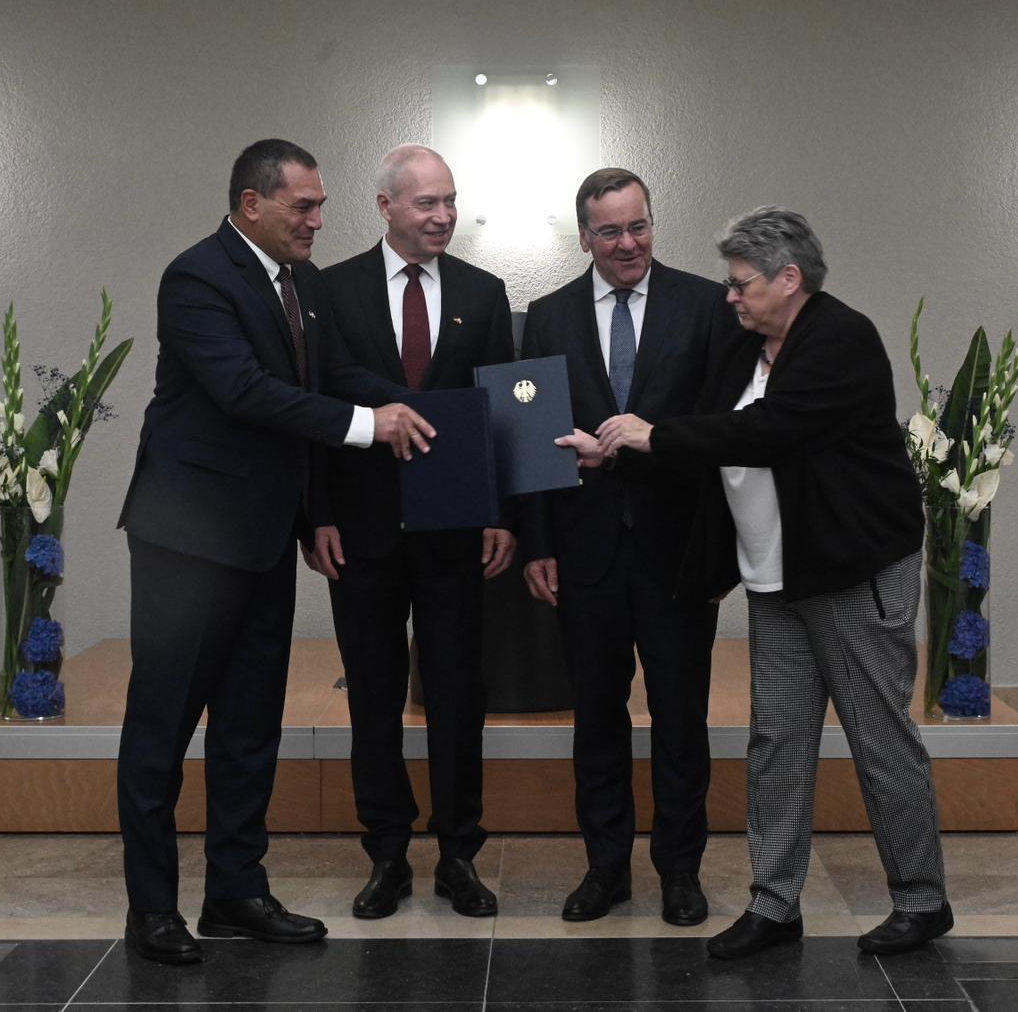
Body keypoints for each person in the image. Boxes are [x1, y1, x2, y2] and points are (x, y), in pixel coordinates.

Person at [591, 206, 952, 959]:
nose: (730, 296)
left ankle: (922, 899)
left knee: (878, 738)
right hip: (774, 578)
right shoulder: (745, 345)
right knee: (777, 742)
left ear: (789, 279)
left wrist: (654, 435)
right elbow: (702, 429)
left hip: (852, 573)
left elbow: (769, 430)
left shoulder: (841, 337)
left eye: (742, 283)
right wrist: (622, 448)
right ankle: (775, 902)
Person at [115, 138, 436, 966]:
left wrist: (433, 410)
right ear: (252, 204)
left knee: (249, 727)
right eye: (305, 206)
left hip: (263, 541)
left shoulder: (301, 285)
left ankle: (235, 893)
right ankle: (151, 908)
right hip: (188, 546)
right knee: (162, 729)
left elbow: (335, 378)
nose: (318, 220)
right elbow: (245, 392)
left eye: (321, 205)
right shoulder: (196, 278)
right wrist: (370, 427)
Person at [518, 167, 742, 927]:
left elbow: (725, 432)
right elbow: (531, 441)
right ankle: (605, 868)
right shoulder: (547, 317)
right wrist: (538, 545)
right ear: (584, 237)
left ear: (653, 223)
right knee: (596, 719)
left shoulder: (706, 307)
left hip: (677, 554)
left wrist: (720, 554)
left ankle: (680, 871)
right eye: (610, 231)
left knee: (680, 720)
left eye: (638, 226)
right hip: (584, 554)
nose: (627, 244)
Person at [308, 144, 515, 919]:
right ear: (386, 206)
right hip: (359, 529)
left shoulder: (483, 294)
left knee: (458, 694)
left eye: (450, 201)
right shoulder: (328, 291)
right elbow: (314, 407)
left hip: (455, 527)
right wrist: (316, 514)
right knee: (373, 693)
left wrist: (499, 511)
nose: (443, 216)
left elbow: (499, 414)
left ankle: (459, 853)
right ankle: (387, 854)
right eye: (427, 203)